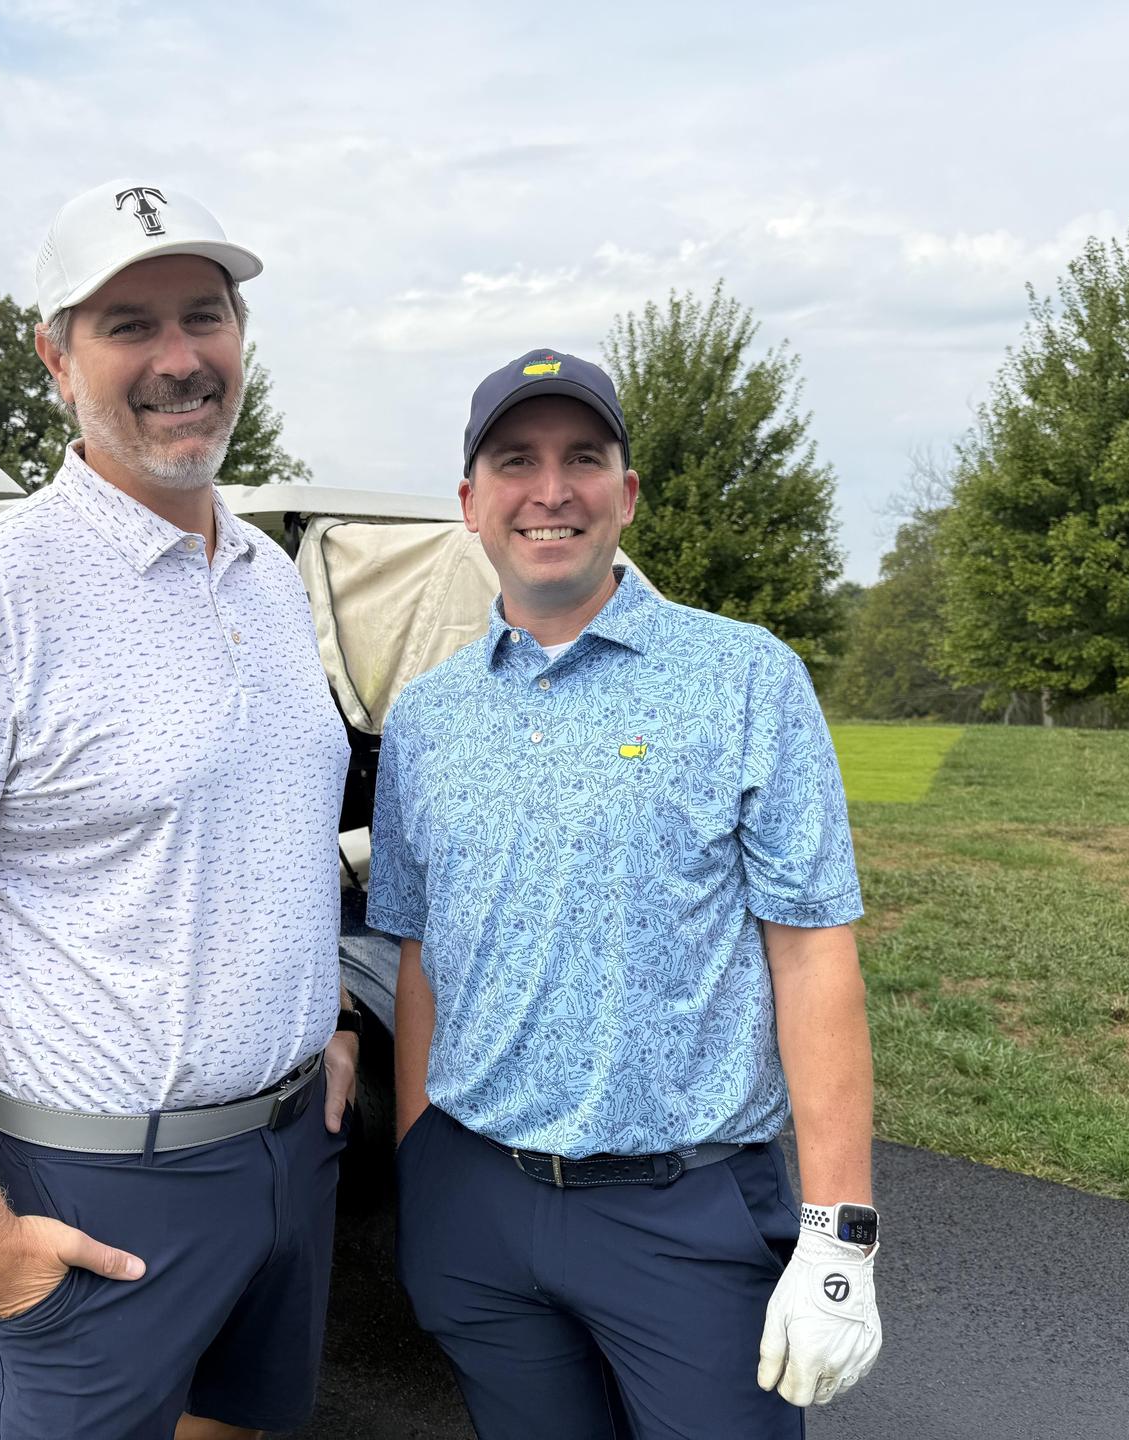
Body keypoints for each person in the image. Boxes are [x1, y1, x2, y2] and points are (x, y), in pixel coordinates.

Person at [0, 178, 360, 1440]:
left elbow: (271, 829)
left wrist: (328, 1023)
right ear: (56, 360)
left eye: (204, 316)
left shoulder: (270, 577)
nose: (179, 358)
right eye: (128, 325)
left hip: (293, 1144)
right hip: (100, 1183)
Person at [368, 349, 883, 1438]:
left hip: (683, 1213)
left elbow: (811, 953)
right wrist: (422, 1170)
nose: (550, 490)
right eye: (516, 461)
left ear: (628, 492)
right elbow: (418, 951)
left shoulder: (745, 678)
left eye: (583, 459)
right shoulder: (427, 718)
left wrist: (840, 1237)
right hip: (476, 1206)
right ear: (470, 502)